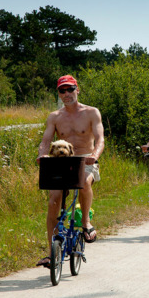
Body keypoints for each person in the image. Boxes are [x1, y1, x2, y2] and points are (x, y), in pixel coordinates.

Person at [36, 75, 105, 268]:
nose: (66, 94)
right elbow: (45, 141)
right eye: (62, 90)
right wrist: (42, 155)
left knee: (82, 183)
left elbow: (100, 139)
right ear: (58, 93)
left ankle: (85, 223)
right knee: (53, 200)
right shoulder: (55, 117)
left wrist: (95, 155)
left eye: (70, 89)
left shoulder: (92, 112)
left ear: (77, 89)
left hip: (85, 159)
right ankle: (51, 250)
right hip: (61, 163)